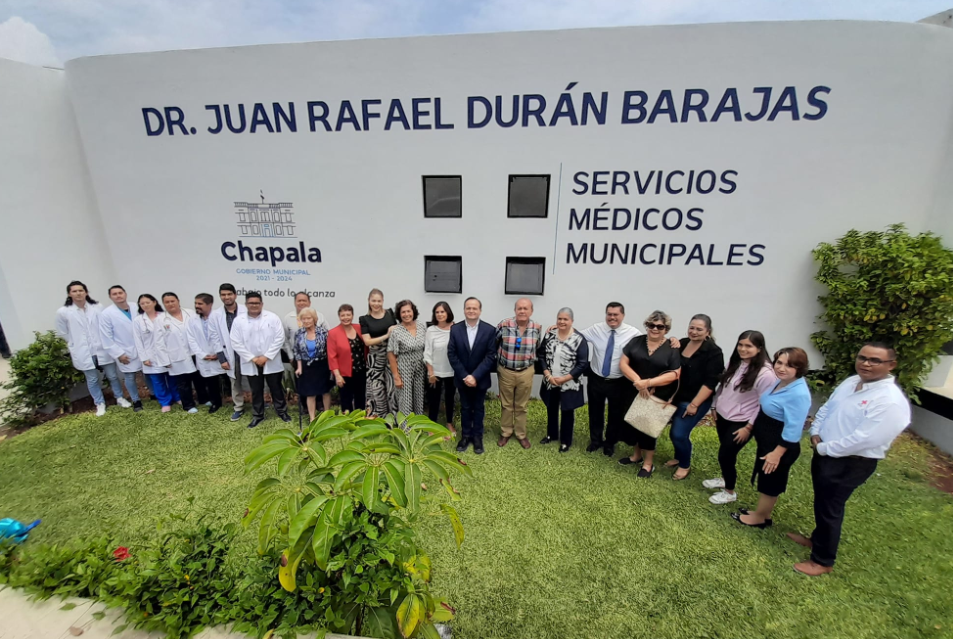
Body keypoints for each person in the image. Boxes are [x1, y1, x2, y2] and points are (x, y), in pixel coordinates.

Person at [789, 342, 911, 576]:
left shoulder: (890, 401)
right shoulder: (851, 382)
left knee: (831, 507)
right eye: (862, 357)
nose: (866, 363)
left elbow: (864, 439)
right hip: (824, 451)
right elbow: (827, 408)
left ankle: (823, 561)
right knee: (822, 501)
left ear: (891, 365)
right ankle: (817, 539)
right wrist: (815, 432)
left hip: (852, 462)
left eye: (875, 360)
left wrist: (824, 448)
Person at [731, 347, 812, 528]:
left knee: (770, 481)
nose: (782, 368)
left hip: (779, 445)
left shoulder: (798, 393)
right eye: (779, 363)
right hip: (767, 440)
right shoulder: (781, 382)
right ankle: (762, 513)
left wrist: (777, 453)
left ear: (800, 368)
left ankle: (759, 519)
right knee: (767, 477)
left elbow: (794, 428)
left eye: (789, 365)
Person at [704, 331, 777, 505]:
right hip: (723, 415)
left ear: (759, 348)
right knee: (726, 451)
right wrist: (714, 405)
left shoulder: (766, 374)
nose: (743, 349)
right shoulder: (736, 362)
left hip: (742, 421)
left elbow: (763, 404)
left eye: (748, 346)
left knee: (726, 454)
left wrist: (749, 427)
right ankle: (724, 478)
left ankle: (729, 491)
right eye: (740, 345)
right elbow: (723, 385)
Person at [618, 310, 681, 478]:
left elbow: (675, 373)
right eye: (651, 325)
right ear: (646, 326)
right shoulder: (636, 341)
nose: (655, 329)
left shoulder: (672, 347)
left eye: (660, 326)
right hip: (633, 389)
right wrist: (638, 382)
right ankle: (636, 456)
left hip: (657, 393)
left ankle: (648, 464)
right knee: (634, 423)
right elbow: (623, 363)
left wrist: (648, 383)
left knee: (648, 428)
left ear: (666, 329)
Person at [55, 281, 129, 417]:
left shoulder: (97, 307)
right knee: (93, 379)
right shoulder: (63, 312)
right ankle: (99, 403)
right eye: (75, 291)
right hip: (83, 351)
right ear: (69, 294)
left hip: (102, 348)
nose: (78, 293)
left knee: (113, 375)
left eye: (81, 290)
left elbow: (105, 325)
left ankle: (120, 398)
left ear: (86, 292)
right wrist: (73, 343)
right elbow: (63, 332)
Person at [665, 314, 725, 480]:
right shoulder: (683, 343)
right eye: (692, 327)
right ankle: (679, 457)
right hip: (676, 397)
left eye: (699, 329)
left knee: (679, 434)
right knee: (675, 432)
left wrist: (694, 404)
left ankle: (685, 465)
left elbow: (711, 382)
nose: (694, 331)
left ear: (708, 331)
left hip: (695, 400)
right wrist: (672, 339)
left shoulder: (713, 352)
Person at [578, 302, 641, 455]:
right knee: (595, 411)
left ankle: (610, 443)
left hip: (618, 381)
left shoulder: (633, 333)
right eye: (609, 314)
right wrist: (557, 328)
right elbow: (576, 335)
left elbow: (650, 343)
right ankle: (595, 441)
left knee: (615, 414)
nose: (612, 318)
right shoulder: (597, 329)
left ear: (622, 316)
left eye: (615, 315)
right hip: (596, 378)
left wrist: (672, 340)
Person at [229, 292, 291, 428]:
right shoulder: (239, 321)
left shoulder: (272, 318)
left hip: (271, 360)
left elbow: (279, 338)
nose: (254, 305)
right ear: (246, 305)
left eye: (257, 303)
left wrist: (266, 356)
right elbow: (235, 342)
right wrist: (252, 358)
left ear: (262, 304)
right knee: (256, 390)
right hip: (251, 362)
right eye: (251, 303)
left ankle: (282, 412)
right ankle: (258, 415)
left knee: (276, 388)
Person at [447, 297, 498, 454]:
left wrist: (475, 376)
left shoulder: (489, 330)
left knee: (478, 408)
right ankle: (465, 436)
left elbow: (490, 356)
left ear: (480, 311)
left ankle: (477, 438)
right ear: (464, 310)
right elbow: (452, 354)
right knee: (465, 408)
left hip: (480, 379)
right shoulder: (455, 329)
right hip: (463, 379)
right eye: (468, 308)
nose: (471, 310)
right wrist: (465, 376)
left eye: (474, 308)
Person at [537, 307, 589, 452]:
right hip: (550, 380)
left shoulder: (579, 340)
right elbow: (541, 355)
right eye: (559, 318)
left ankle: (566, 441)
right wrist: (547, 375)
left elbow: (582, 363)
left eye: (565, 319)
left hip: (569, 383)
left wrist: (565, 378)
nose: (562, 321)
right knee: (551, 408)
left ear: (572, 321)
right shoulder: (550, 335)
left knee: (567, 411)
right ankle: (551, 435)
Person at [496, 298, 542, 449]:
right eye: (519, 308)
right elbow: (494, 343)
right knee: (506, 404)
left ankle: (521, 434)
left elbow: (538, 347)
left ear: (531, 311)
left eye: (525, 308)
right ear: (515, 310)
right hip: (506, 371)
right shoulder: (504, 325)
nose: (522, 311)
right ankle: (506, 433)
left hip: (526, 371)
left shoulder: (537, 328)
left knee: (522, 406)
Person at [284, 292, 332, 412]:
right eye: (299, 300)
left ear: (309, 302)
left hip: (321, 363)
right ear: (295, 302)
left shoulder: (321, 324)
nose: (301, 303)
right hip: (302, 362)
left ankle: (323, 410)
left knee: (323, 390)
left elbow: (330, 342)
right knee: (308, 390)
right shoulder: (290, 321)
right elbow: (287, 342)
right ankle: (308, 412)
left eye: (304, 300)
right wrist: (292, 358)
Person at [98, 285, 144, 412]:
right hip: (124, 350)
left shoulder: (136, 306)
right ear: (110, 297)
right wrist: (118, 354)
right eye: (114, 294)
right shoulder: (107, 314)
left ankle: (153, 394)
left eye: (120, 293)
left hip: (143, 347)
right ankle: (136, 400)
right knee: (130, 377)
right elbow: (106, 337)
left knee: (149, 374)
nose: (118, 295)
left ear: (125, 293)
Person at [133, 294, 180, 412]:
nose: (145, 305)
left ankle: (177, 397)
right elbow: (137, 341)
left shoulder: (165, 316)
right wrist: (144, 358)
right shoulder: (138, 321)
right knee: (157, 380)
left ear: (154, 302)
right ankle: (165, 402)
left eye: (147, 302)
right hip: (150, 355)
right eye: (142, 303)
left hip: (167, 353)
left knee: (173, 378)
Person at [209, 284, 247, 422]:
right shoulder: (215, 315)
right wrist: (221, 359)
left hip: (247, 353)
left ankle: (259, 404)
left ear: (235, 295)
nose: (226, 297)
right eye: (223, 295)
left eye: (229, 294)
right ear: (220, 296)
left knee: (254, 380)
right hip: (230, 354)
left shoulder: (246, 310)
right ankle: (238, 407)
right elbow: (214, 337)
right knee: (234, 382)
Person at [159, 293, 200, 414]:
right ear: (164, 304)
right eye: (167, 302)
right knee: (183, 382)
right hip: (176, 355)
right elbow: (158, 342)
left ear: (178, 301)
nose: (170, 304)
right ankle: (188, 405)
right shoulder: (161, 320)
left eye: (173, 301)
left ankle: (203, 399)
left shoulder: (190, 313)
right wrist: (164, 360)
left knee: (199, 379)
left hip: (195, 352)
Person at [360, 289, 398, 417]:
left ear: (383, 301)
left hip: (391, 355)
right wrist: (386, 335)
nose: (376, 304)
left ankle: (393, 419)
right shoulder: (365, 319)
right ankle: (377, 418)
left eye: (379, 301)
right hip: (375, 358)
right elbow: (367, 341)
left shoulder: (390, 314)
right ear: (369, 301)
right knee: (376, 389)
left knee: (392, 388)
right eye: (373, 301)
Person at [388, 300, 427, 417]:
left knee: (419, 398)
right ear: (399, 315)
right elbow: (391, 353)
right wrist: (396, 376)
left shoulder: (421, 326)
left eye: (408, 311)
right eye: (403, 312)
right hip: (404, 368)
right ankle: (405, 429)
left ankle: (418, 427)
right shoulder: (396, 331)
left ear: (413, 312)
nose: (406, 314)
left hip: (420, 367)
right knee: (405, 400)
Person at [187, 293, 225, 414]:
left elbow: (225, 337)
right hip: (204, 357)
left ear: (210, 304)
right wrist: (203, 355)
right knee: (211, 382)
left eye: (200, 304)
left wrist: (219, 354)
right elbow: (191, 339)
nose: (197, 306)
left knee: (228, 380)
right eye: (196, 303)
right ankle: (215, 403)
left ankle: (235, 402)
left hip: (221, 356)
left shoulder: (219, 317)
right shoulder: (192, 320)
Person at [294, 308, 331, 423]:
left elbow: (330, 350)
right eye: (303, 319)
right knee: (311, 393)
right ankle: (312, 417)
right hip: (307, 367)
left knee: (325, 391)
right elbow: (297, 352)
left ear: (314, 319)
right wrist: (299, 367)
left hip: (322, 365)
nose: (306, 321)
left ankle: (326, 414)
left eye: (309, 318)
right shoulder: (299, 333)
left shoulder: (323, 332)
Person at [424, 301, 456, 435]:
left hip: (452, 371)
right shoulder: (431, 330)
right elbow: (427, 352)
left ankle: (449, 423)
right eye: (437, 312)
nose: (440, 314)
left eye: (442, 311)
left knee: (450, 398)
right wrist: (431, 373)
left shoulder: (456, 329)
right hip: (435, 371)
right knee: (434, 400)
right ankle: (432, 425)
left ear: (448, 312)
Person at [328, 304, 366, 414]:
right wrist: (337, 375)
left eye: (348, 315)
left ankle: (360, 420)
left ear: (352, 315)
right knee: (346, 400)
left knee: (360, 398)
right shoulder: (333, 333)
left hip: (361, 370)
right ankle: (347, 422)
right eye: (343, 315)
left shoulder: (359, 328)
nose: (346, 318)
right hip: (344, 373)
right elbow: (332, 356)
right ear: (339, 316)